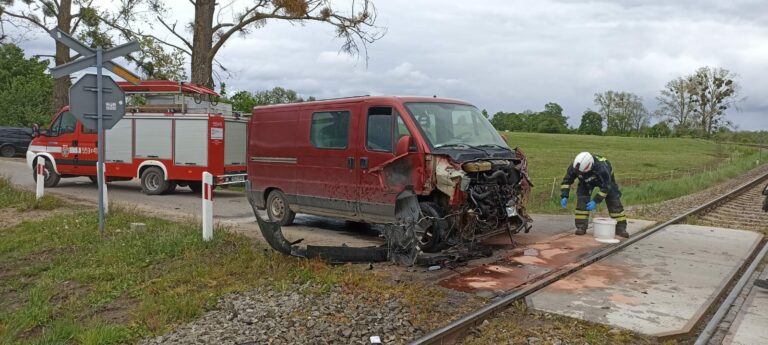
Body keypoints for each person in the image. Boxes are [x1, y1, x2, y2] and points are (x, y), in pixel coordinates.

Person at [560, 152, 629, 238]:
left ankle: (621, 228)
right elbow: (566, 181)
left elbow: (606, 188)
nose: (580, 173)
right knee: (582, 201)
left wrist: (595, 201)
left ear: (589, 166)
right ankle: (581, 227)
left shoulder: (602, 169)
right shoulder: (574, 167)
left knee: (614, 201)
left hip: (605, 181)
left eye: (582, 172)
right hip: (585, 182)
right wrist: (564, 195)